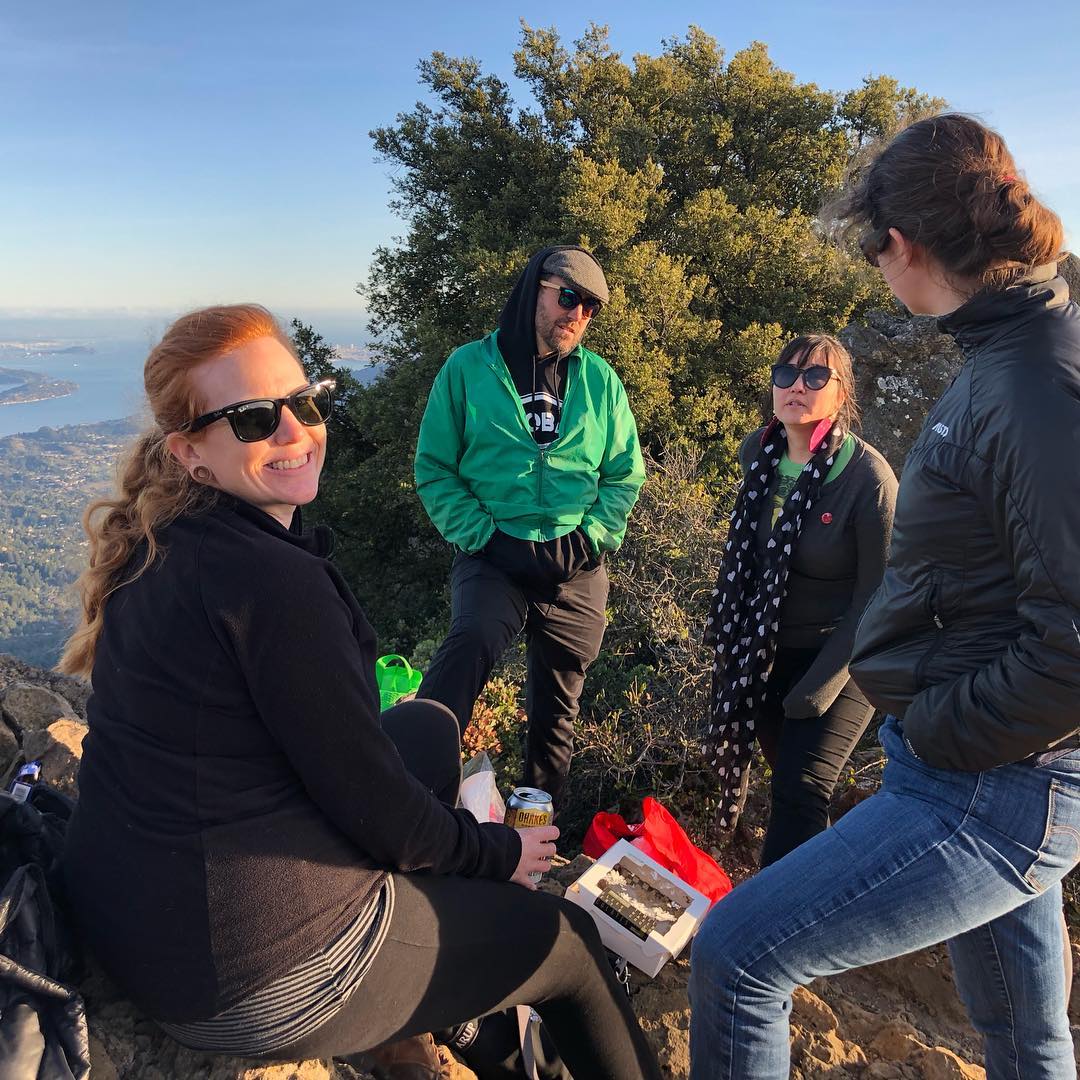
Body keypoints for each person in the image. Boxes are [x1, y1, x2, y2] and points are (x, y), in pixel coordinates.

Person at [59, 304, 662, 1080]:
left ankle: (455, 1011)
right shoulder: (271, 585)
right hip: (253, 975)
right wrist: (498, 852)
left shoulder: (161, 543)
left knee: (422, 729)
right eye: (251, 418)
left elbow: (347, 763)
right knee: (569, 945)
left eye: (304, 402)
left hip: (134, 918)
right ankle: (447, 1005)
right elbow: (380, 815)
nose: (293, 430)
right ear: (190, 452)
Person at [689, 113, 1080, 1079]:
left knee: (738, 956)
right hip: (993, 763)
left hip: (988, 779)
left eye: (873, 251)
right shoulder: (1017, 348)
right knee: (1026, 1038)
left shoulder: (1033, 381)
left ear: (900, 244)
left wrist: (943, 728)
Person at [414, 246, 646, 809]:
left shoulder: (600, 381)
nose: (578, 315)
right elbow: (435, 470)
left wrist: (588, 539)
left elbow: (624, 474)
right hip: (494, 549)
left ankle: (534, 834)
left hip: (576, 559)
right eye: (568, 297)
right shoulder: (469, 368)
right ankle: (413, 792)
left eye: (590, 307)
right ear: (533, 291)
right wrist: (488, 538)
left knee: (559, 696)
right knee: (470, 644)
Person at [705, 334, 896, 866]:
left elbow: (877, 593)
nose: (796, 387)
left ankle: (773, 925)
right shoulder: (758, 453)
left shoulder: (867, 480)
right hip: (765, 652)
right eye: (785, 374)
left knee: (801, 788)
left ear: (841, 394)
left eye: (816, 378)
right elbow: (752, 560)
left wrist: (820, 686)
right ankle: (833, 894)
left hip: (843, 653)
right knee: (792, 786)